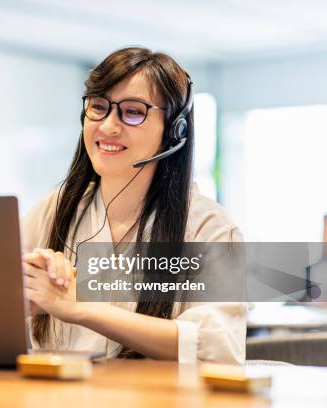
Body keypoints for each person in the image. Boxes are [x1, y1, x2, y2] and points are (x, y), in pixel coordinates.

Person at [21, 47, 247, 364]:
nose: (108, 126)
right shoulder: (56, 209)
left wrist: (80, 307)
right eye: (98, 107)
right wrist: (24, 290)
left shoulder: (209, 226)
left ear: (173, 130)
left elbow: (216, 347)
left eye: (132, 111)